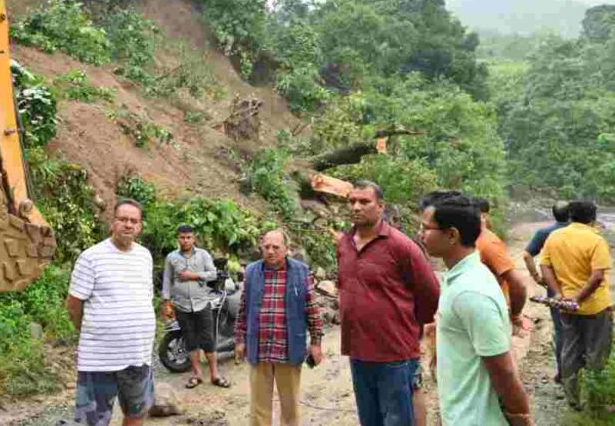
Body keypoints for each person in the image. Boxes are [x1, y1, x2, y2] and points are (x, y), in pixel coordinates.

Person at [421, 195, 532, 426]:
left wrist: (520, 417)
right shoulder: (459, 278)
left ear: (452, 235)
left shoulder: (471, 292)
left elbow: (504, 370)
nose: (421, 234)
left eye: (426, 228)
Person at [338, 181, 440, 426]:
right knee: (369, 419)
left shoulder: (401, 246)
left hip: (395, 354)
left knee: (397, 420)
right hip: (358, 352)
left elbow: (431, 293)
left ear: (381, 206)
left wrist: (408, 326)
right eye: (352, 201)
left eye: (364, 202)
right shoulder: (344, 244)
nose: (356, 207)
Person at [66, 199, 155, 426]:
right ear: (112, 223)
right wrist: (86, 330)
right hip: (99, 358)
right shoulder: (91, 257)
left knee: (137, 412)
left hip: (138, 354)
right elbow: (73, 304)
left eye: (133, 221)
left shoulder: (145, 256)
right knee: (92, 420)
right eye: (123, 219)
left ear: (140, 226)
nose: (128, 225)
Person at [234, 229, 323, 426]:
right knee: (258, 407)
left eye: (276, 247)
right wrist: (239, 340)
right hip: (259, 348)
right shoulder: (251, 272)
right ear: (261, 248)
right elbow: (243, 309)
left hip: (289, 349)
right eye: (266, 247)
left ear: (286, 249)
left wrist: (316, 343)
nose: (271, 251)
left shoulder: (301, 271)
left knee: (290, 405)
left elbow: (312, 309)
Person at [539, 200, 612, 409]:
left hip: (566, 307)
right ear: (593, 219)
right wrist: (579, 299)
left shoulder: (555, 237)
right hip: (595, 307)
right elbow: (597, 276)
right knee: (597, 351)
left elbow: (545, 265)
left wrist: (559, 294)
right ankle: (594, 401)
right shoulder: (596, 240)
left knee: (570, 349)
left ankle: (573, 398)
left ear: (570, 216)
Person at [161, 225, 230, 389]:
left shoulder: (203, 255)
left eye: (188, 237)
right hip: (181, 305)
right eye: (182, 237)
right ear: (178, 238)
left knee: (208, 339)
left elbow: (213, 274)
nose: (185, 240)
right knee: (190, 339)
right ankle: (197, 374)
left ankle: (215, 374)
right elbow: (167, 280)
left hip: (202, 303)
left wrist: (194, 275)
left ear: (194, 238)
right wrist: (166, 302)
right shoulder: (171, 257)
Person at [519, 200, 569, 382]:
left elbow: (526, 255)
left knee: (561, 329)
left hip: (555, 288)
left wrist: (538, 277)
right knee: (580, 329)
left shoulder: (545, 233)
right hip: (581, 288)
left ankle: (563, 373)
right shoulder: (581, 233)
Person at [473, 197, 528, 336]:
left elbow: (517, 283)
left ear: (483, 216)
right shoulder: (471, 240)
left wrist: (515, 315)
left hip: (490, 313)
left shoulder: (489, 244)